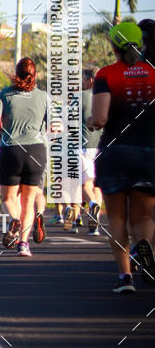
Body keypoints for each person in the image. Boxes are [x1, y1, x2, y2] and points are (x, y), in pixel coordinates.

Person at [88, 22, 155, 293]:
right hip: (149, 153)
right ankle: (145, 247)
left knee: (116, 218)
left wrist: (92, 122)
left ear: (113, 46)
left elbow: (101, 118)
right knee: (143, 217)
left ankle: (125, 277)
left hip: (115, 152)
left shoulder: (106, 74)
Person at [0, 57, 48, 257]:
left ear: (16, 73)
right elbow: (54, 126)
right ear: (35, 75)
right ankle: (23, 244)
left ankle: (14, 219)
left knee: (8, 197)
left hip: (11, 149)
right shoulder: (44, 96)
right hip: (36, 150)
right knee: (29, 200)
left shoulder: (5, 94)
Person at [79, 68, 103, 235]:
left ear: (90, 80)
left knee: (85, 184)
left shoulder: (80, 97)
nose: (83, 82)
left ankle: (93, 205)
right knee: (97, 185)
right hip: (103, 145)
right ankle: (95, 223)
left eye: (84, 80)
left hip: (85, 144)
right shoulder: (107, 97)